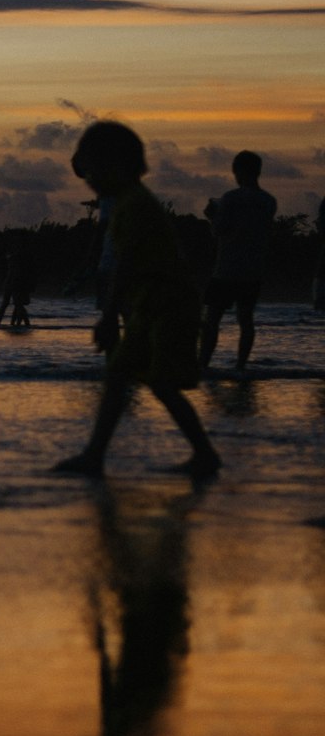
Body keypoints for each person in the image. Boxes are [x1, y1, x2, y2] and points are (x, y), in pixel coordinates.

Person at [52, 122, 220, 479]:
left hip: (169, 307)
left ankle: (203, 454)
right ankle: (95, 454)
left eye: (94, 173)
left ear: (117, 166)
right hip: (151, 305)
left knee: (158, 383)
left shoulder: (134, 207)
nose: (91, 183)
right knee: (119, 375)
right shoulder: (131, 202)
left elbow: (126, 265)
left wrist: (109, 315)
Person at [200, 151, 276, 373]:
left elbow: (219, 231)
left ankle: (203, 364)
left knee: (212, 319)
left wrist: (211, 216)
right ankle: (240, 366)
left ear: (238, 171)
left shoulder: (231, 198)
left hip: (226, 268)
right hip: (253, 269)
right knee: (246, 320)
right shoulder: (269, 201)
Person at [0, 234, 35, 330]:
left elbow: (14, 270)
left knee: (15, 304)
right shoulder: (19, 257)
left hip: (15, 282)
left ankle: (10, 323)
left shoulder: (15, 257)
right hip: (16, 282)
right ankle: (18, 324)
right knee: (17, 304)